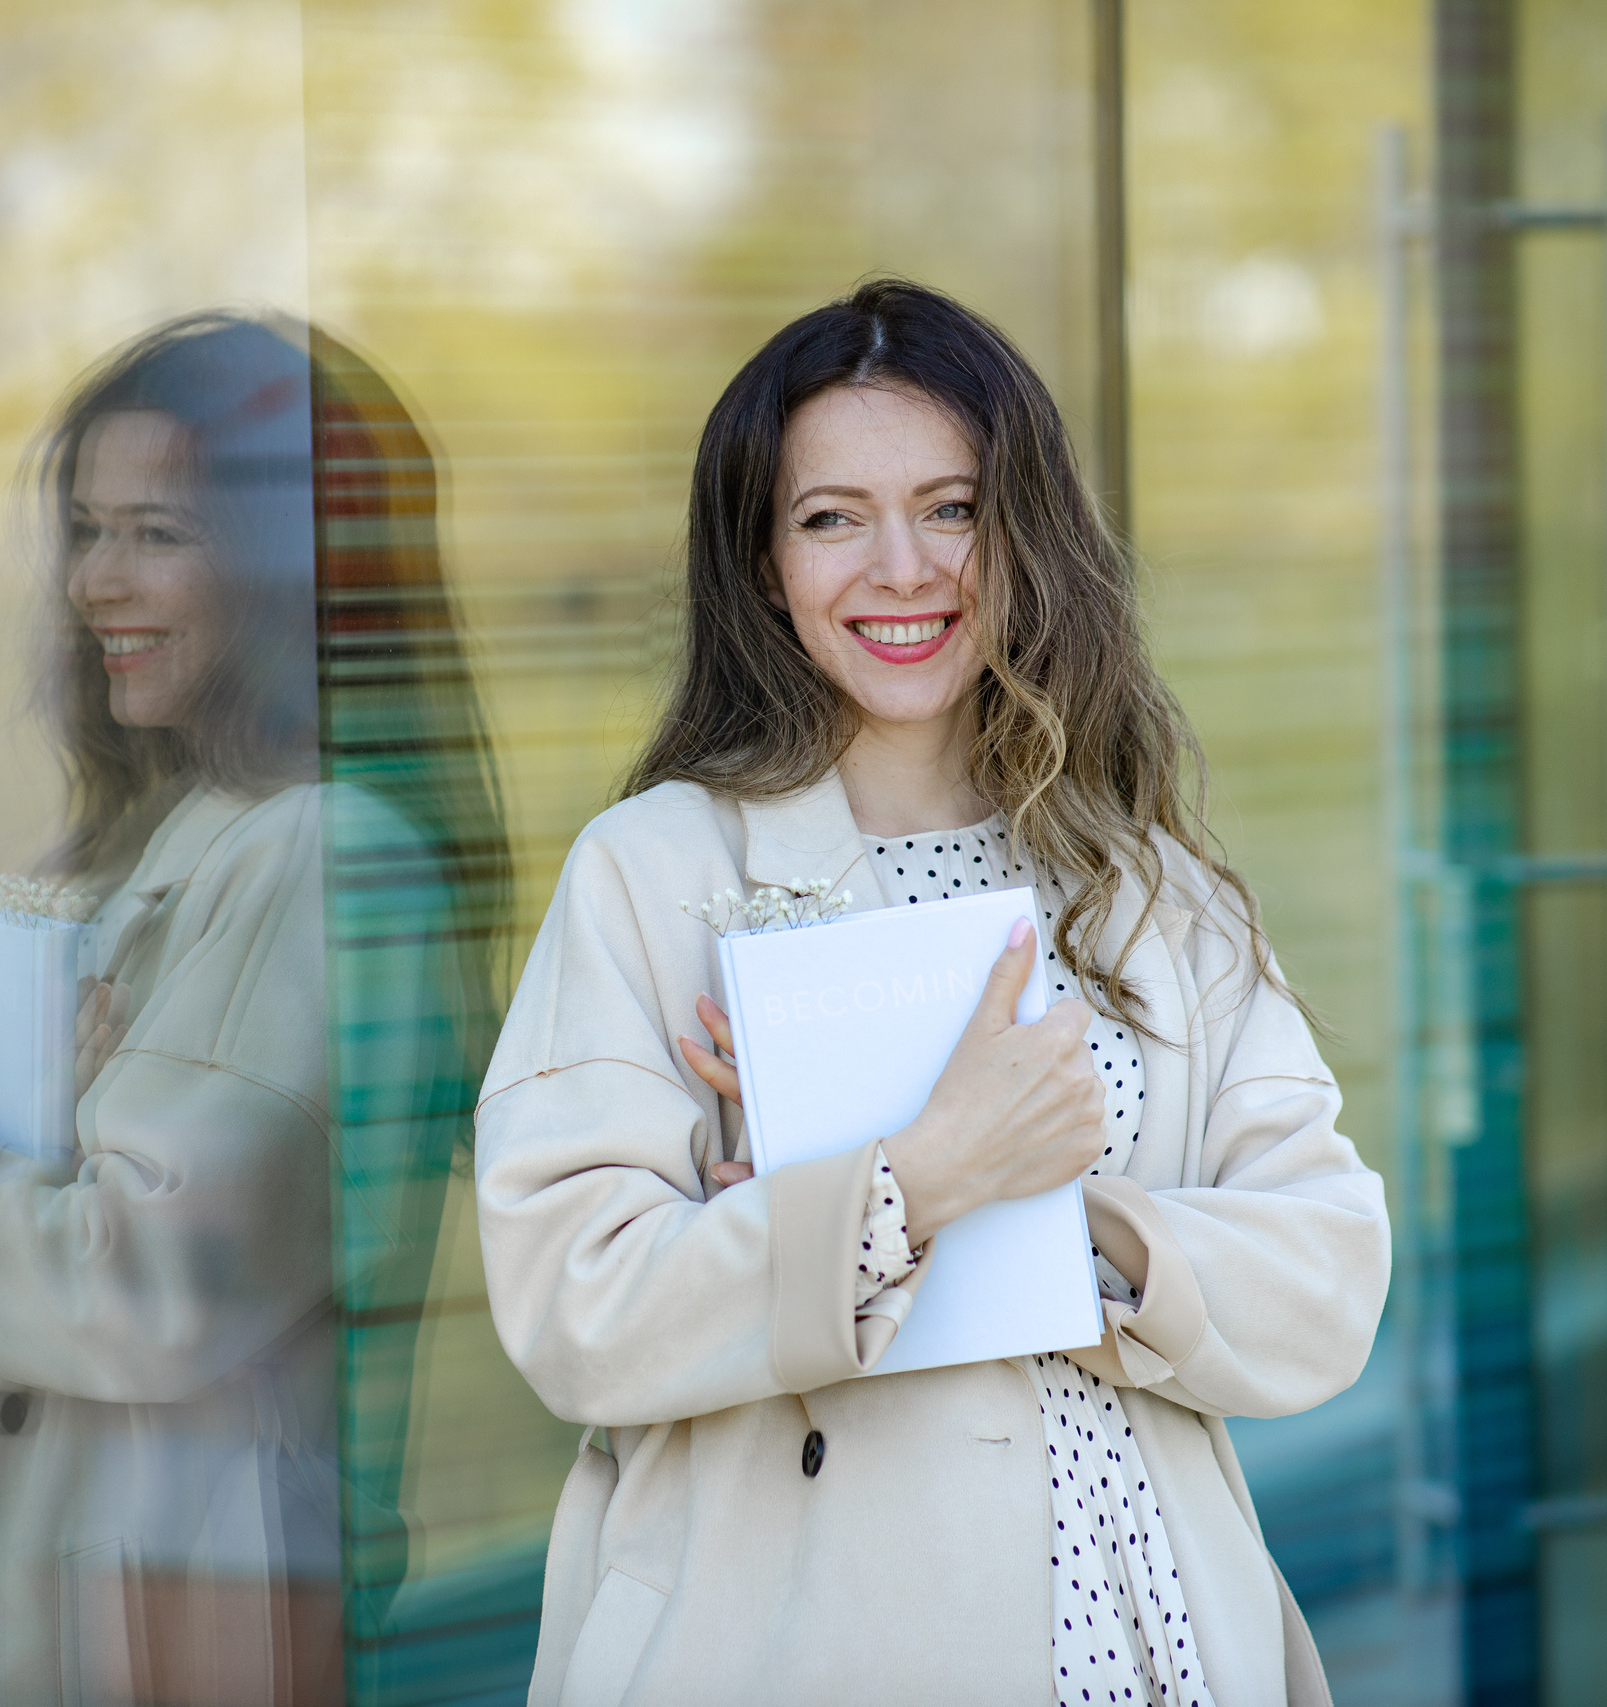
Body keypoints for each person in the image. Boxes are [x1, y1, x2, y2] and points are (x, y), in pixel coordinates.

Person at [474, 279, 1389, 1706]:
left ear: (1026, 540)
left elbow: (1327, 1278)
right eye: (831, 517)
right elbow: (575, 1309)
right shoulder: (653, 873)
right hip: (810, 1636)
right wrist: (902, 1184)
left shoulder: (1147, 883)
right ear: (765, 563)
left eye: (953, 509)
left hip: (1151, 1625)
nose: (901, 567)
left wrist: (1055, 1209)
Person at [0, 312, 503, 1706]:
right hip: (39, 1565)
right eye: (89, 530)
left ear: (294, 568)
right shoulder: (177, 833)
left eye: (159, 533)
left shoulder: (324, 854)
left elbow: (152, 1289)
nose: (98, 582)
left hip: (144, 1609)